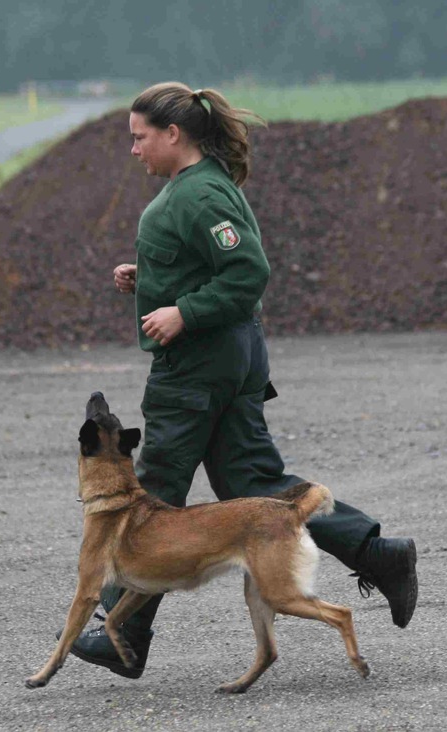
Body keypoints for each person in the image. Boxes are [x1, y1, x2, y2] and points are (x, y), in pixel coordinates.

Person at [60, 82, 418, 679]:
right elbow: (200, 262)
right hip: (222, 361)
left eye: (139, 137)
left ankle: (120, 633)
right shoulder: (192, 188)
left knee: (151, 491)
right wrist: (150, 279)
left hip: (199, 368)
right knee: (254, 480)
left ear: (173, 135)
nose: (133, 150)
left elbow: (248, 270)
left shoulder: (201, 193)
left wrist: (183, 313)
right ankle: (376, 553)